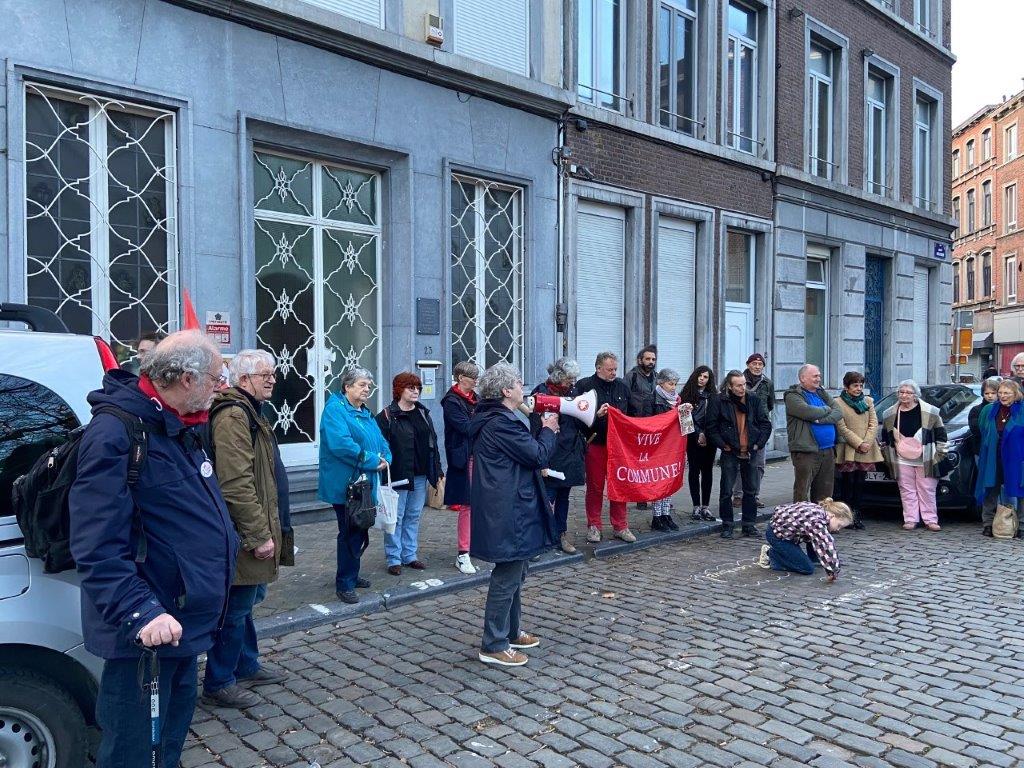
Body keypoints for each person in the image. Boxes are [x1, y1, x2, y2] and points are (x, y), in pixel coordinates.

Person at [70, 331, 237, 768]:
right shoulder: (116, 433)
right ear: (184, 378)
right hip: (145, 633)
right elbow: (95, 543)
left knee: (167, 748)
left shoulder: (177, 423)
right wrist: (140, 611)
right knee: (132, 753)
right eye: (216, 378)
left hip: (182, 623)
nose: (223, 387)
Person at [203, 349, 289, 708]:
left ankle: (247, 664)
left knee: (248, 601)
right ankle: (219, 681)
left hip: (256, 525)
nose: (272, 379)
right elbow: (235, 482)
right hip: (242, 533)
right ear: (243, 380)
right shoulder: (234, 415)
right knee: (236, 607)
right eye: (264, 374)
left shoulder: (251, 411)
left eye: (272, 373)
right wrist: (258, 535)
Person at [469, 363, 558, 666]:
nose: (524, 388)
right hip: (507, 508)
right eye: (519, 383)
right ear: (507, 391)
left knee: (517, 570)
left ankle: (510, 630)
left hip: (510, 504)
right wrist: (547, 430)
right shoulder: (501, 422)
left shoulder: (499, 417)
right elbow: (536, 455)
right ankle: (493, 643)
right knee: (508, 574)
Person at [319, 367, 391, 604]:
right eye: (361, 385)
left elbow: (380, 440)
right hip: (346, 485)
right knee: (350, 531)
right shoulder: (335, 411)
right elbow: (341, 445)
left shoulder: (364, 412)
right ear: (347, 386)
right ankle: (345, 583)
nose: (366, 390)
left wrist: (386, 458)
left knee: (360, 528)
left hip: (365, 484)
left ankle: (352, 573)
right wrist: (372, 461)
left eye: (368, 386)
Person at [376, 372, 443, 574]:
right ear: (399, 390)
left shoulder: (423, 413)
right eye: (410, 387)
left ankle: (410, 555)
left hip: (420, 473)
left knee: (413, 515)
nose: (415, 391)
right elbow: (381, 446)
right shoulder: (387, 416)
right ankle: (394, 558)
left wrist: (438, 469)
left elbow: (433, 443)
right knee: (395, 517)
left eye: (418, 388)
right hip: (398, 474)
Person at [529, 357, 586, 554]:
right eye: (570, 378)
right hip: (549, 453)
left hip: (568, 453)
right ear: (559, 376)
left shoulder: (572, 392)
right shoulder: (541, 393)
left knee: (564, 497)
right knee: (546, 498)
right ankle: (538, 538)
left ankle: (560, 534)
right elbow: (536, 428)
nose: (573, 382)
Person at [706, 370, 772, 539]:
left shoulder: (753, 400)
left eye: (744, 384)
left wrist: (758, 444)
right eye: (739, 385)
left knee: (750, 491)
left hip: (751, 451)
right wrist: (723, 445)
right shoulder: (719, 400)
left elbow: (765, 424)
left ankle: (749, 525)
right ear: (730, 386)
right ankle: (727, 525)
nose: (743, 388)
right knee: (727, 490)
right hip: (730, 451)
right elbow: (711, 427)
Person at [576, 351, 634, 543]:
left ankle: (621, 525)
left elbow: (632, 414)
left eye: (615, 369)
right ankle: (594, 525)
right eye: (610, 369)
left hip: (618, 447)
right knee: (595, 486)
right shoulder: (584, 386)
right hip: (595, 443)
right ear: (598, 368)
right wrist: (596, 416)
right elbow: (576, 417)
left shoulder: (623, 387)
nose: (613, 373)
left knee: (620, 485)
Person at [880, 380, 948, 531]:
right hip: (901, 457)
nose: (904, 396)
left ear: (915, 395)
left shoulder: (931, 412)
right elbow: (885, 436)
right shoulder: (889, 413)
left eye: (908, 393)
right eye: (901, 392)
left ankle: (930, 520)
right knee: (906, 489)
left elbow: (941, 434)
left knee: (927, 489)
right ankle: (910, 519)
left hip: (926, 457)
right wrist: (886, 453)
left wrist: (941, 454)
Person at [442, 361, 480, 574]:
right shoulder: (451, 401)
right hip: (464, 458)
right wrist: (482, 419)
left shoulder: (476, 399)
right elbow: (466, 427)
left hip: (479, 456)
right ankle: (463, 552)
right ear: (460, 378)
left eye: (476, 376)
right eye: (471, 376)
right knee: (466, 504)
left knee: (479, 502)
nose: (475, 380)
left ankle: (475, 544)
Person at [784, 364, 843, 502]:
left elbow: (839, 412)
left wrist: (820, 420)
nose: (819, 379)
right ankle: (801, 521)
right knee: (802, 490)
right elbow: (808, 412)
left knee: (825, 494)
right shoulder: (793, 396)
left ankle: (821, 522)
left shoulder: (821, 393)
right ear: (803, 378)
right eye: (815, 376)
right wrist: (827, 409)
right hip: (806, 451)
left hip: (828, 450)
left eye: (819, 376)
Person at [973, 379, 1024, 538]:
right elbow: (983, 429)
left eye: (1007, 393)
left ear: (1015, 394)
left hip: (1016, 458)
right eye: (1000, 392)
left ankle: (1021, 525)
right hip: (993, 457)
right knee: (990, 489)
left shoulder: (1022, 411)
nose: (1002, 396)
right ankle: (988, 524)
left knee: (1021, 492)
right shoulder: (988, 410)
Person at [833, 371, 883, 530]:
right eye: (855, 385)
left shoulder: (868, 401)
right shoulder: (838, 403)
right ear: (846, 387)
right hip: (848, 448)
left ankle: (857, 514)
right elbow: (841, 427)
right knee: (847, 483)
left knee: (860, 483)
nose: (859, 388)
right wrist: (858, 443)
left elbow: (873, 423)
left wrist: (867, 442)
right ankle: (845, 516)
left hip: (866, 449)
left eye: (861, 385)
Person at [756, 498, 853, 580]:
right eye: (839, 525)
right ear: (833, 516)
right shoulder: (816, 521)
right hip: (777, 536)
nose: (838, 529)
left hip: (788, 532)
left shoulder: (820, 511)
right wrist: (833, 570)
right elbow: (826, 543)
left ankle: (814, 558)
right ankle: (771, 554)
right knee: (807, 568)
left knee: (818, 540)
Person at [649, 368, 691, 531]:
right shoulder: (653, 399)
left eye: (674, 384)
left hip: (675, 447)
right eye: (669, 384)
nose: (673, 387)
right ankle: (656, 516)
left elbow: (687, 427)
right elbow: (649, 423)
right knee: (658, 481)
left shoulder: (679, 401)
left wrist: (686, 414)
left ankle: (666, 514)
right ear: (661, 383)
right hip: (659, 448)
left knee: (669, 480)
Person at [732, 353, 775, 509]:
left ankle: (754, 495)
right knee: (739, 463)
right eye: (754, 364)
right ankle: (738, 495)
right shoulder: (738, 380)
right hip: (741, 426)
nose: (757, 367)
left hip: (759, 428)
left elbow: (770, 404)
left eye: (760, 364)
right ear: (748, 364)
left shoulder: (767, 383)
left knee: (758, 465)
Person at [680, 365, 717, 522]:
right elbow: (684, 421)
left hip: (710, 439)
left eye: (706, 377)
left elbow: (716, 417)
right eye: (700, 376)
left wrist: (707, 434)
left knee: (707, 471)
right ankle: (696, 506)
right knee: (694, 471)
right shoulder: (685, 396)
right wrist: (697, 435)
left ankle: (705, 506)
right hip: (692, 438)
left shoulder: (713, 396)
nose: (702, 379)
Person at [625, 344, 658, 417]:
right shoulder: (631, 376)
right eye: (648, 359)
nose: (651, 362)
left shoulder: (657, 377)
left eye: (653, 359)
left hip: (653, 420)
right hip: (636, 421)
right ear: (640, 361)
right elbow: (624, 400)